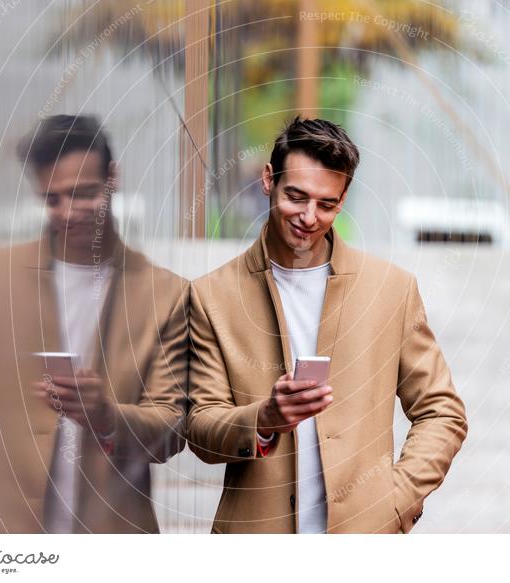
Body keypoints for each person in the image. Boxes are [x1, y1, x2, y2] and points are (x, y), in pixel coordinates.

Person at [187, 117, 468, 533]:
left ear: (344, 197)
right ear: (268, 180)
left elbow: (442, 411)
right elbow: (200, 427)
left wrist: (396, 499)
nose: (308, 216)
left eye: (327, 204)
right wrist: (264, 419)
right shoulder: (210, 296)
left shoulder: (391, 289)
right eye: (295, 197)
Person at [0, 115, 188, 533]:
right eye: (52, 199)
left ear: (113, 179)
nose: (67, 212)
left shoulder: (166, 294)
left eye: (83, 194)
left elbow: (173, 429)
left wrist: (106, 415)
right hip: (7, 538)